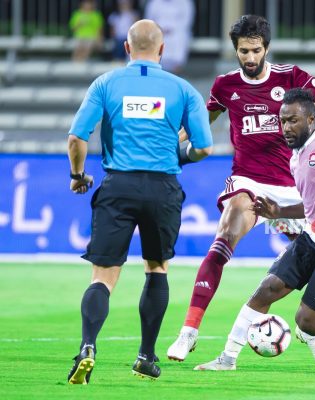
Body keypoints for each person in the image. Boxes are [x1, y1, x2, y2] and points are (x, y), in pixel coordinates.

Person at [167, 15, 315, 368]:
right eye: (243, 51)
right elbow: (200, 124)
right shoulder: (225, 86)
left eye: (255, 51)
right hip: (248, 181)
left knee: (314, 266)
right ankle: (189, 331)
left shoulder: (289, 77)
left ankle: (309, 331)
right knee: (223, 238)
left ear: (265, 49)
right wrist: (171, 143)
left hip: (294, 190)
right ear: (235, 50)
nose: (249, 58)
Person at [195, 88, 315, 371]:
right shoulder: (296, 157)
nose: (286, 127)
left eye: (293, 121)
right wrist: (280, 212)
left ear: (311, 120)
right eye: (283, 121)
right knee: (265, 290)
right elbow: (311, 205)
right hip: (312, 239)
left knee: (307, 321)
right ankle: (227, 359)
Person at [66, 19, 213, 384]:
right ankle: (146, 357)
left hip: (118, 186)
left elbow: (76, 138)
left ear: (127, 48)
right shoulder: (182, 89)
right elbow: (204, 146)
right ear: (162, 50)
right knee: (156, 268)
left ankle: (87, 347)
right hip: (163, 188)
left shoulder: (106, 83)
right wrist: (178, 156)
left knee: (103, 277)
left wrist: (78, 175)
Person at [144, 0, 194, 74]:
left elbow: (187, 21)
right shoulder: (154, 3)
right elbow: (148, 20)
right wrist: (160, 29)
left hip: (177, 30)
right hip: (158, 30)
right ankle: (155, 66)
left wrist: (171, 29)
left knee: (181, 36)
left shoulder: (185, 2)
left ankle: (177, 67)